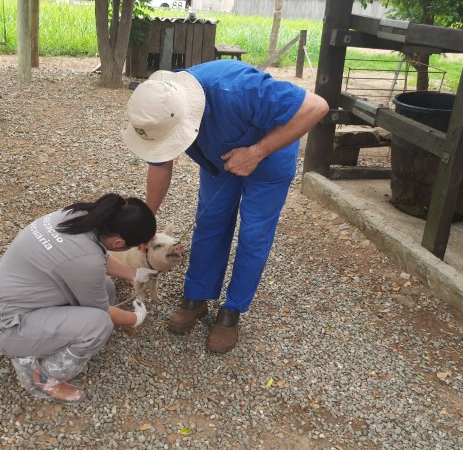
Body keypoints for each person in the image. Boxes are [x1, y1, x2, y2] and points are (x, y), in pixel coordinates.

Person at [122, 59, 329, 353]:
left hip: (269, 156)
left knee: (253, 235)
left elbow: (316, 106)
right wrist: (147, 221)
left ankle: (232, 311)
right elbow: (160, 166)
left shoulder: (239, 89)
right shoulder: (158, 108)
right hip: (217, 158)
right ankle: (196, 297)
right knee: (209, 223)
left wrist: (257, 152)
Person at [0, 193, 158, 404]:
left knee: (106, 287)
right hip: (5, 326)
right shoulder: (87, 261)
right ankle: (46, 377)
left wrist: (134, 273)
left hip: (13, 302)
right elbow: (103, 308)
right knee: (98, 324)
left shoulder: (76, 216)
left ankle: (57, 339)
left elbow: (95, 257)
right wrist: (136, 318)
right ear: (119, 242)